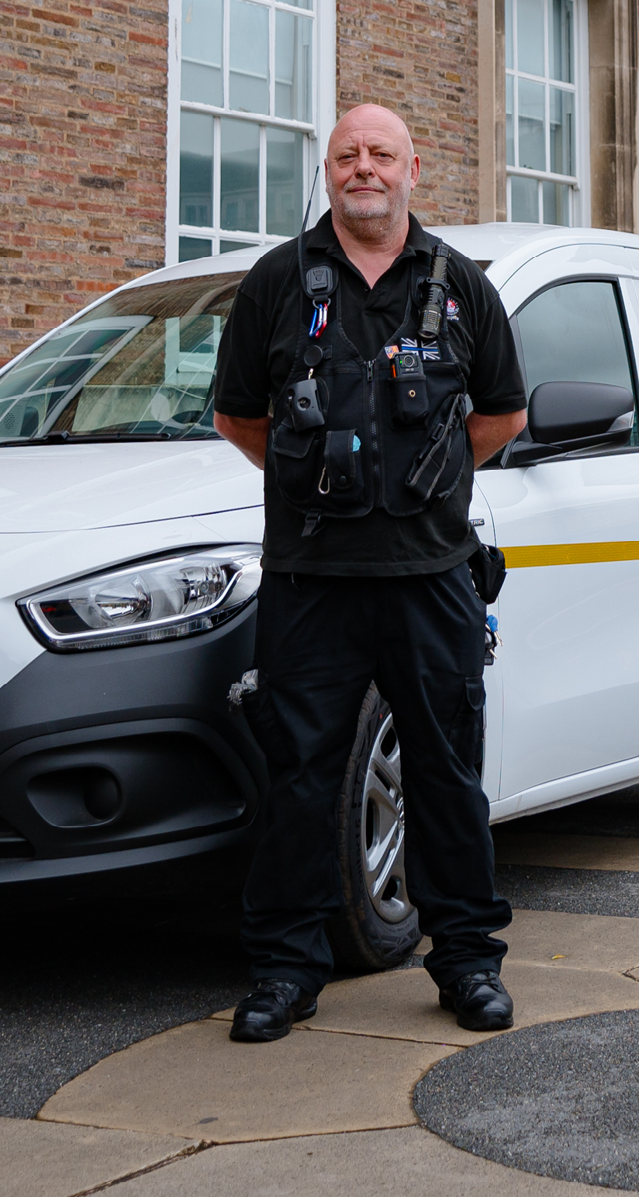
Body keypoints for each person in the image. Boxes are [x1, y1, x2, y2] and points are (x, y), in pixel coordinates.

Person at [209, 103, 529, 1042]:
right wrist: (325, 486)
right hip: (312, 576)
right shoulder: (277, 282)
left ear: (412, 168)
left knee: (446, 775)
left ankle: (467, 961)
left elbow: (500, 415)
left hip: (432, 573)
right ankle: (284, 970)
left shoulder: (461, 287)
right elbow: (238, 418)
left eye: (380, 155)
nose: (363, 170)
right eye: (347, 155)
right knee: (300, 775)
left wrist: (413, 487)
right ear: (329, 172)